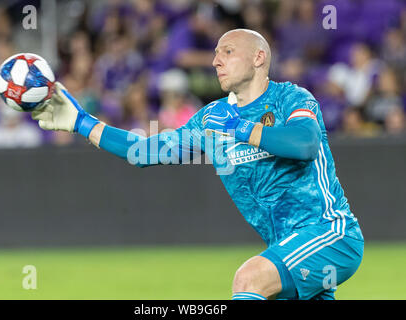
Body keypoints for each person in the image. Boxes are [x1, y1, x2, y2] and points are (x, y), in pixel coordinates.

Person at [31, 29, 364, 300]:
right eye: (215, 54)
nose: (216, 60)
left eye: (228, 52)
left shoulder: (291, 98)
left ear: (258, 57)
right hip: (288, 248)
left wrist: (240, 128)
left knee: (249, 279)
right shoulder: (211, 119)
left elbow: (304, 144)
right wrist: (81, 122)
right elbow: (144, 152)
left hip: (330, 232)